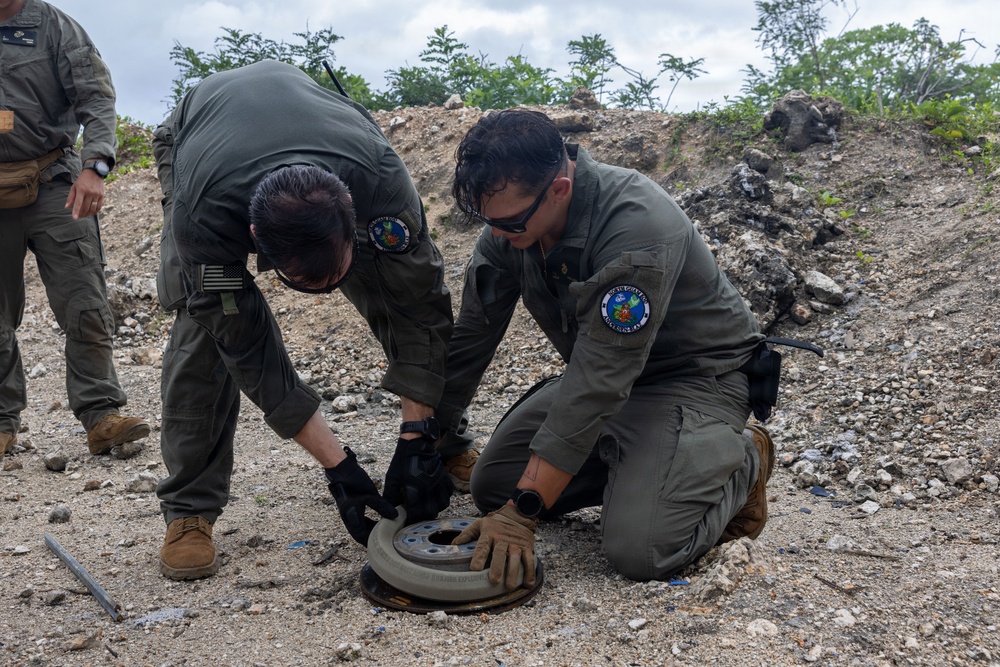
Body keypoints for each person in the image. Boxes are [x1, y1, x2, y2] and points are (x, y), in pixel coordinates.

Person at [152, 59, 468, 581]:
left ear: (353, 216)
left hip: (333, 148)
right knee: (204, 330)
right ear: (254, 239)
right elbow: (244, 342)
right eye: (303, 283)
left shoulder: (378, 179)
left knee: (399, 289)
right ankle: (190, 509)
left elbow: (420, 305)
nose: (322, 297)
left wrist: (419, 434)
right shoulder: (205, 215)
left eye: (334, 276)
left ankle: (446, 441)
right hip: (196, 142)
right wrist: (338, 465)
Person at [440, 109, 774, 590]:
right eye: (483, 219)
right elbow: (470, 340)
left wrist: (523, 514)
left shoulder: (636, 225)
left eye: (509, 221)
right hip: (609, 378)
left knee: (643, 550)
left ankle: (743, 460)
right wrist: (429, 440)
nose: (494, 234)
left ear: (559, 190)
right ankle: (646, 471)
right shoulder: (511, 226)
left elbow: (600, 380)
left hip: (695, 381)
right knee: (492, 487)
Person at [0, 0, 150, 458]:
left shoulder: (53, 25)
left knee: (84, 301)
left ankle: (101, 414)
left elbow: (96, 98)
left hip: (54, 184)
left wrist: (96, 167)